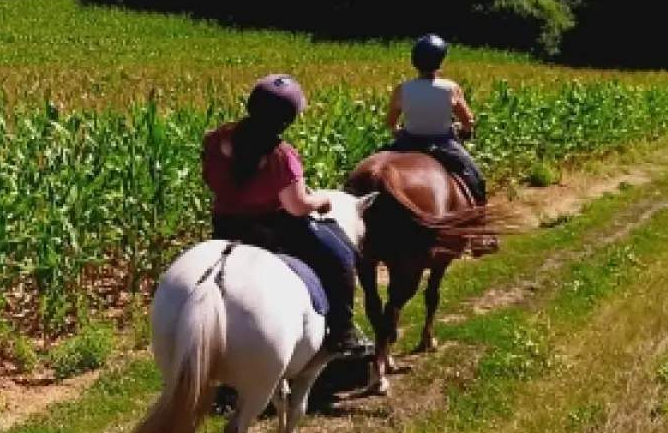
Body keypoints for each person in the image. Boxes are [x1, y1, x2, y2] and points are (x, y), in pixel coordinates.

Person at [202, 74, 370, 356]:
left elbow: (212, 177)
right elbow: (296, 206)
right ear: (287, 120)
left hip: (225, 225)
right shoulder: (282, 156)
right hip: (272, 229)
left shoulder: (216, 139)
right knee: (340, 257)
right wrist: (321, 201)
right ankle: (343, 334)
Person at [385, 34, 488, 205]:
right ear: (440, 61)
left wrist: (397, 131)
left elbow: (390, 122)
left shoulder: (402, 89)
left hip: (408, 142)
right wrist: (465, 131)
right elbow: (468, 121)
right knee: (476, 178)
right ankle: (480, 208)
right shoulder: (451, 88)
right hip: (443, 143)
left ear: (415, 61)